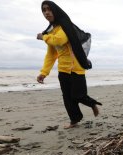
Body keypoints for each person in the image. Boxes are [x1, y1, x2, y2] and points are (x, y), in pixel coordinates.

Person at [36, 0, 101, 129]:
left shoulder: (65, 26)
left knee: (78, 95)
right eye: (44, 10)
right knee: (67, 98)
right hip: (63, 70)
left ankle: (92, 104)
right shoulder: (51, 31)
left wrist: (43, 37)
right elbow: (51, 55)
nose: (46, 12)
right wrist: (44, 73)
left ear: (55, 10)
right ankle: (74, 121)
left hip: (76, 68)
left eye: (49, 9)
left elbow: (60, 40)